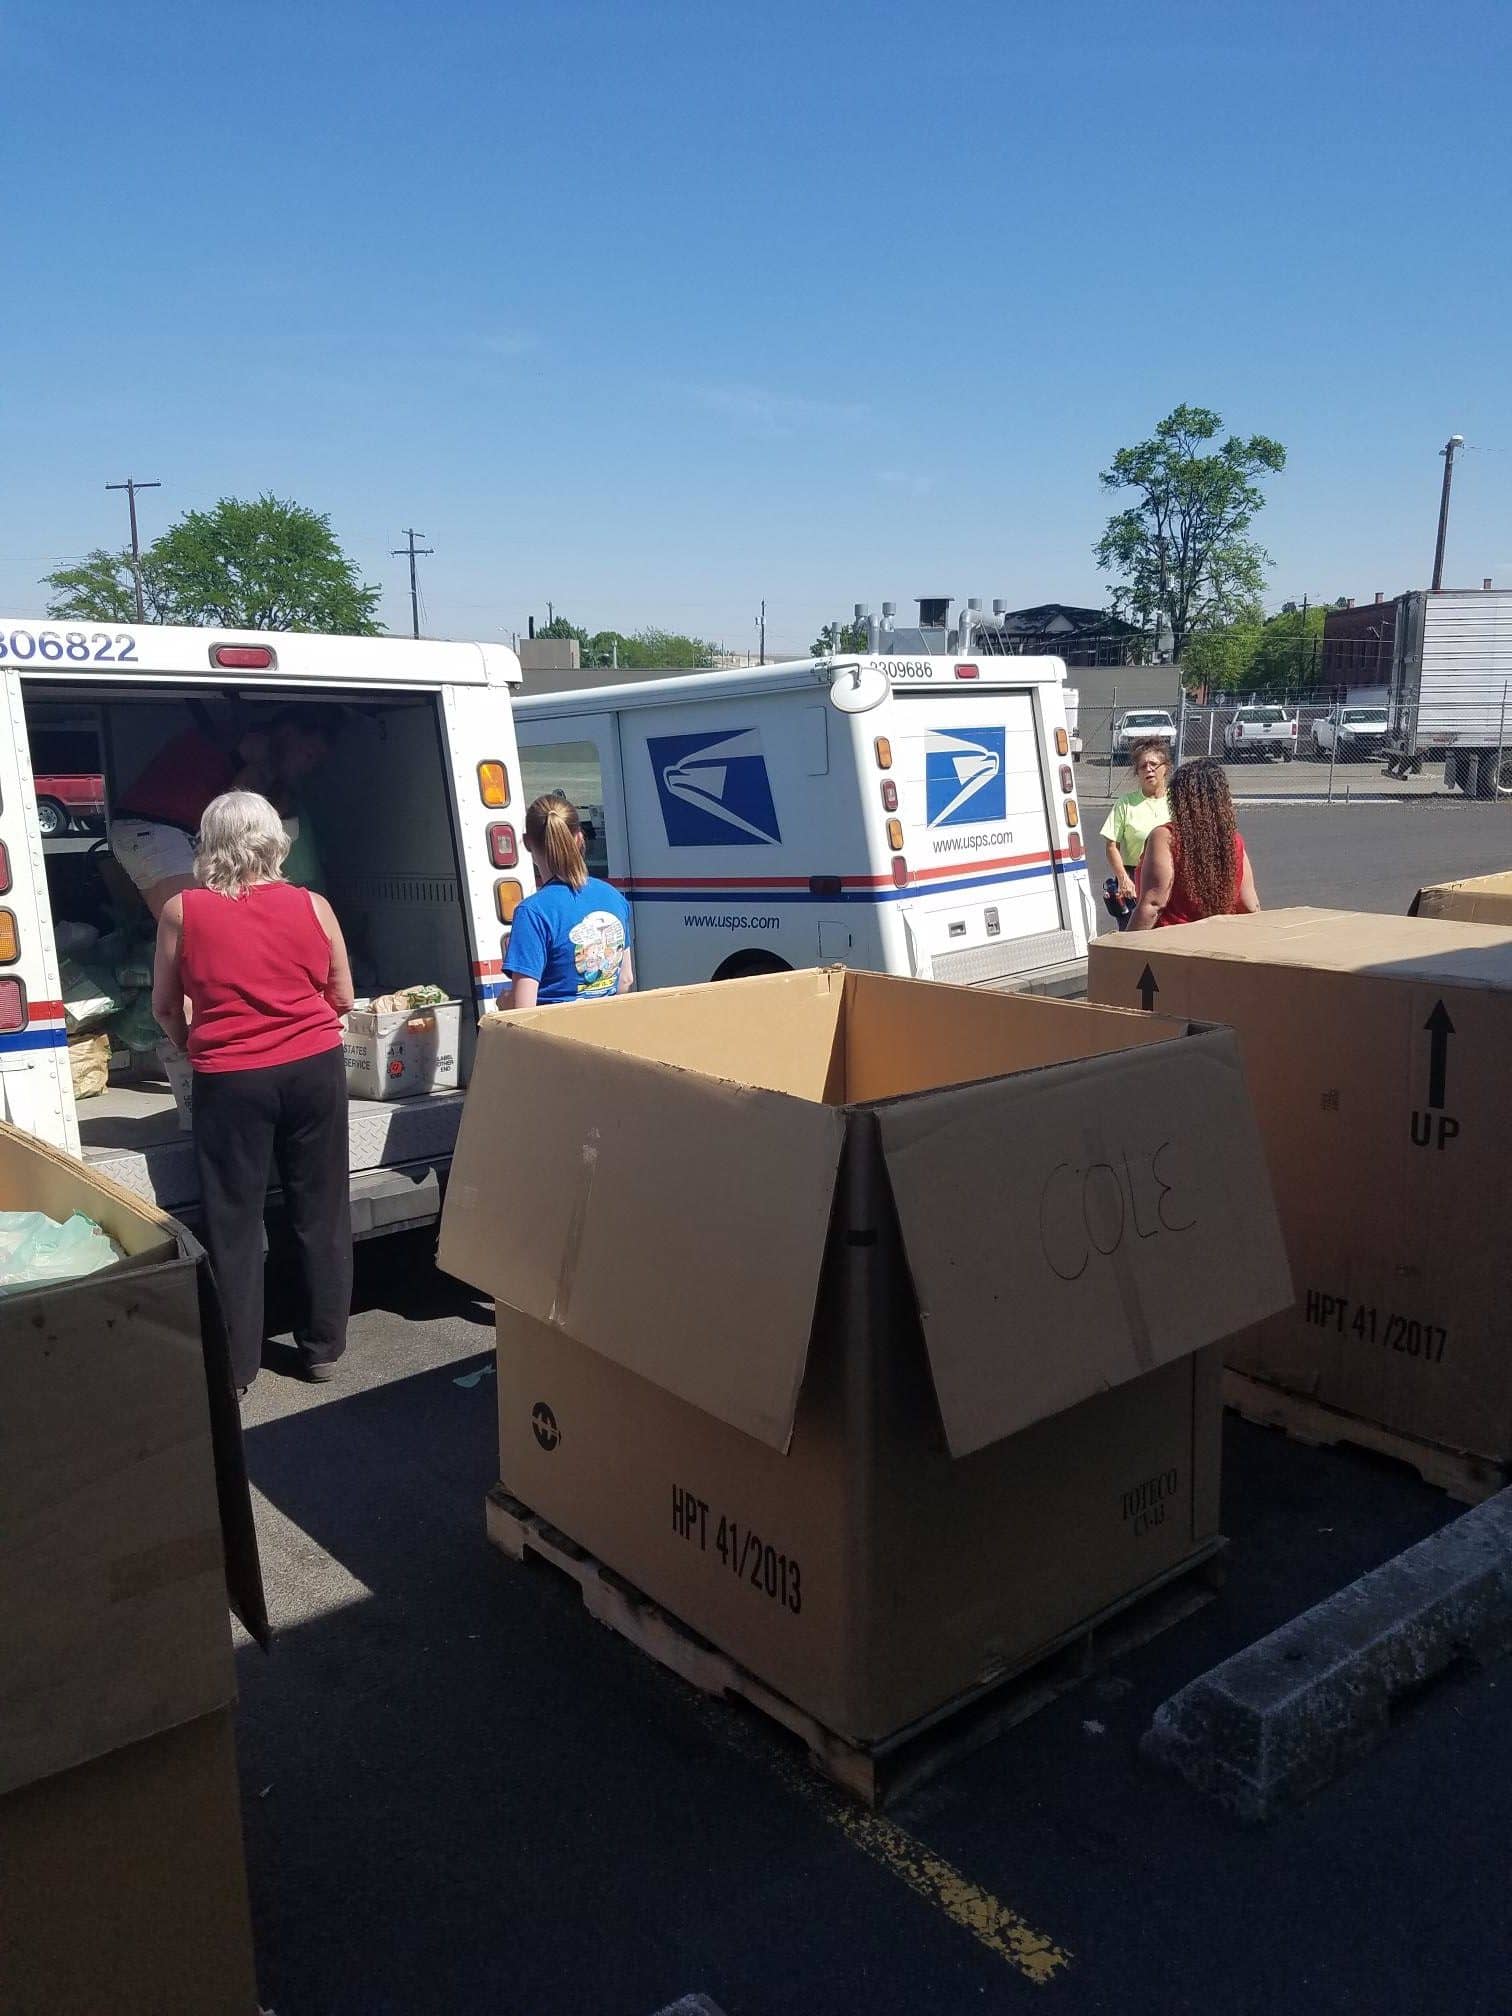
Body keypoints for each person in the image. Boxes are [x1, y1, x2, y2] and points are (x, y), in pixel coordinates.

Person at [151, 791, 356, 1393]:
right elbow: (342, 996)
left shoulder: (181, 912)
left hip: (230, 1079)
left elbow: (164, 1006)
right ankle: (321, 1349)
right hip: (314, 1068)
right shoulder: (312, 905)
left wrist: (194, 1041)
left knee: (234, 1221)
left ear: (208, 843)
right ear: (275, 839)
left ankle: (238, 1367)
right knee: (320, 1207)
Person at [112, 707, 337, 919]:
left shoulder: (236, 745)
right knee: (197, 923)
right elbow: (240, 824)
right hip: (158, 826)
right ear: (288, 733)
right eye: (309, 755)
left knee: (186, 924)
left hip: (149, 828)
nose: (308, 769)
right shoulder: (258, 752)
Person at [504, 793, 634, 1008]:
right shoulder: (613, 897)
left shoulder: (532, 912)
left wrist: (505, 1002)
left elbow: (523, 1008)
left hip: (554, 1035)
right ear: (579, 838)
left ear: (527, 843)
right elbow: (625, 980)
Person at [1128, 757, 1260, 930]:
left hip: (1173, 944)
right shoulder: (1232, 840)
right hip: (1219, 939)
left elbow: (1153, 904)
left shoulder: (1166, 837)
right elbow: (1250, 905)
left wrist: (1123, 947)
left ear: (1178, 799)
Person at [1100, 738, 1172, 919]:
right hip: (1134, 881)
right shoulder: (1126, 803)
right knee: (1133, 936)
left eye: (1154, 764)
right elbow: (1111, 846)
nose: (1149, 769)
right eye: (1143, 766)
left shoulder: (1177, 801)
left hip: (1171, 879)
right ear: (1137, 772)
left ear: (1166, 768)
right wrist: (1123, 878)